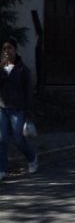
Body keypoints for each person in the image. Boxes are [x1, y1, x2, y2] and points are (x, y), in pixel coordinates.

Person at [0, 38, 37, 180]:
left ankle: (32, 157)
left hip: (18, 109)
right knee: (2, 139)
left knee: (18, 138)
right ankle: (2, 169)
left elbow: (28, 91)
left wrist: (28, 111)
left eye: (9, 48)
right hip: (3, 108)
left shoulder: (23, 69)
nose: (7, 51)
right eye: (4, 49)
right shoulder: (1, 68)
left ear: (15, 50)